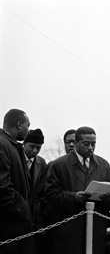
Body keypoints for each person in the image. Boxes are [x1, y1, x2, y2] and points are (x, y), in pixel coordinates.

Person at [45, 126, 110, 254]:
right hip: (69, 230)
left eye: (93, 144)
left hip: (96, 229)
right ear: (75, 143)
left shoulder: (104, 166)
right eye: (86, 144)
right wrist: (74, 197)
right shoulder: (58, 165)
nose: (90, 148)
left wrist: (109, 197)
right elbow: (50, 195)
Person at [0, 108, 35, 254]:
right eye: (28, 124)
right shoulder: (3, 144)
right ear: (20, 124)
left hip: (15, 225)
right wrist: (23, 208)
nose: (29, 129)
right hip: (8, 226)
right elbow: (3, 187)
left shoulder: (11, 144)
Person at [23, 128, 49, 254]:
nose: (35, 151)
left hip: (34, 217)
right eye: (32, 146)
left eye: (38, 147)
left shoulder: (42, 163)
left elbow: (41, 194)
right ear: (24, 144)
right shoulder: (15, 158)